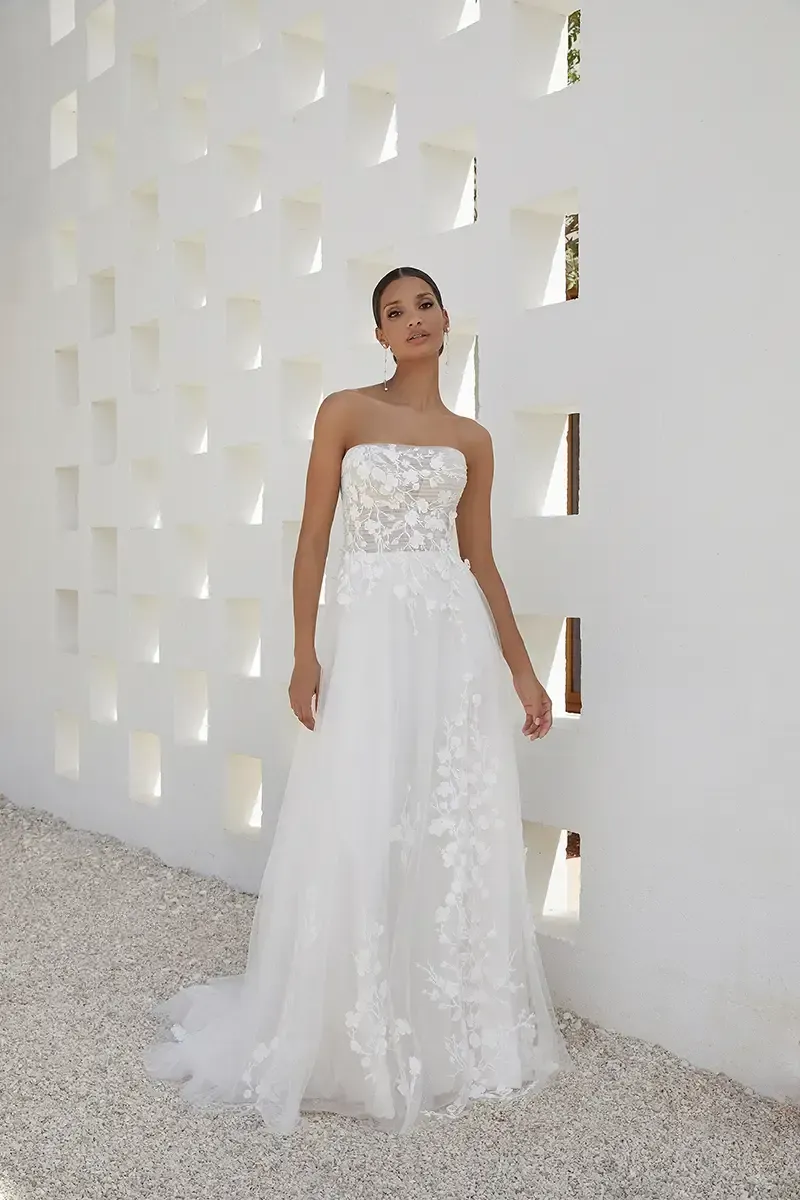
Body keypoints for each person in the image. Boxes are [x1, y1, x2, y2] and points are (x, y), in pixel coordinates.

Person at [143, 266, 574, 1135]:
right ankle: (349, 1022)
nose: (411, 319)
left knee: (443, 819)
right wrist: (303, 651)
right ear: (377, 334)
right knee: (361, 811)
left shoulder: (474, 439)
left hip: (450, 645)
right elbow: (312, 540)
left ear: (446, 320)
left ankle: (446, 1021)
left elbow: (480, 563)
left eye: (423, 305)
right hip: (372, 640)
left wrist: (524, 673)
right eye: (393, 311)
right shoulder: (343, 411)